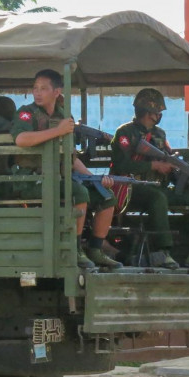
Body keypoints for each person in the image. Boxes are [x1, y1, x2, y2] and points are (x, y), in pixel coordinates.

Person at [9, 69, 121, 269]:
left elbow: (71, 157)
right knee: (78, 192)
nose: (37, 93)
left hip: (58, 177)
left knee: (106, 196)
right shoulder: (27, 112)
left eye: (44, 88)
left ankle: (95, 249)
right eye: (35, 88)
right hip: (30, 179)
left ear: (57, 91)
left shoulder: (63, 115)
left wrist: (95, 178)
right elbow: (21, 139)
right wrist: (57, 131)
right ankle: (74, 250)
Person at [109, 88, 189, 273]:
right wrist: (153, 167)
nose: (159, 116)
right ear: (148, 113)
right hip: (132, 190)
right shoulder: (125, 133)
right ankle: (163, 251)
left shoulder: (160, 135)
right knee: (158, 197)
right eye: (157, 112)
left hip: (159, 188)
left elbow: (170, 164)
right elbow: (121, 165)